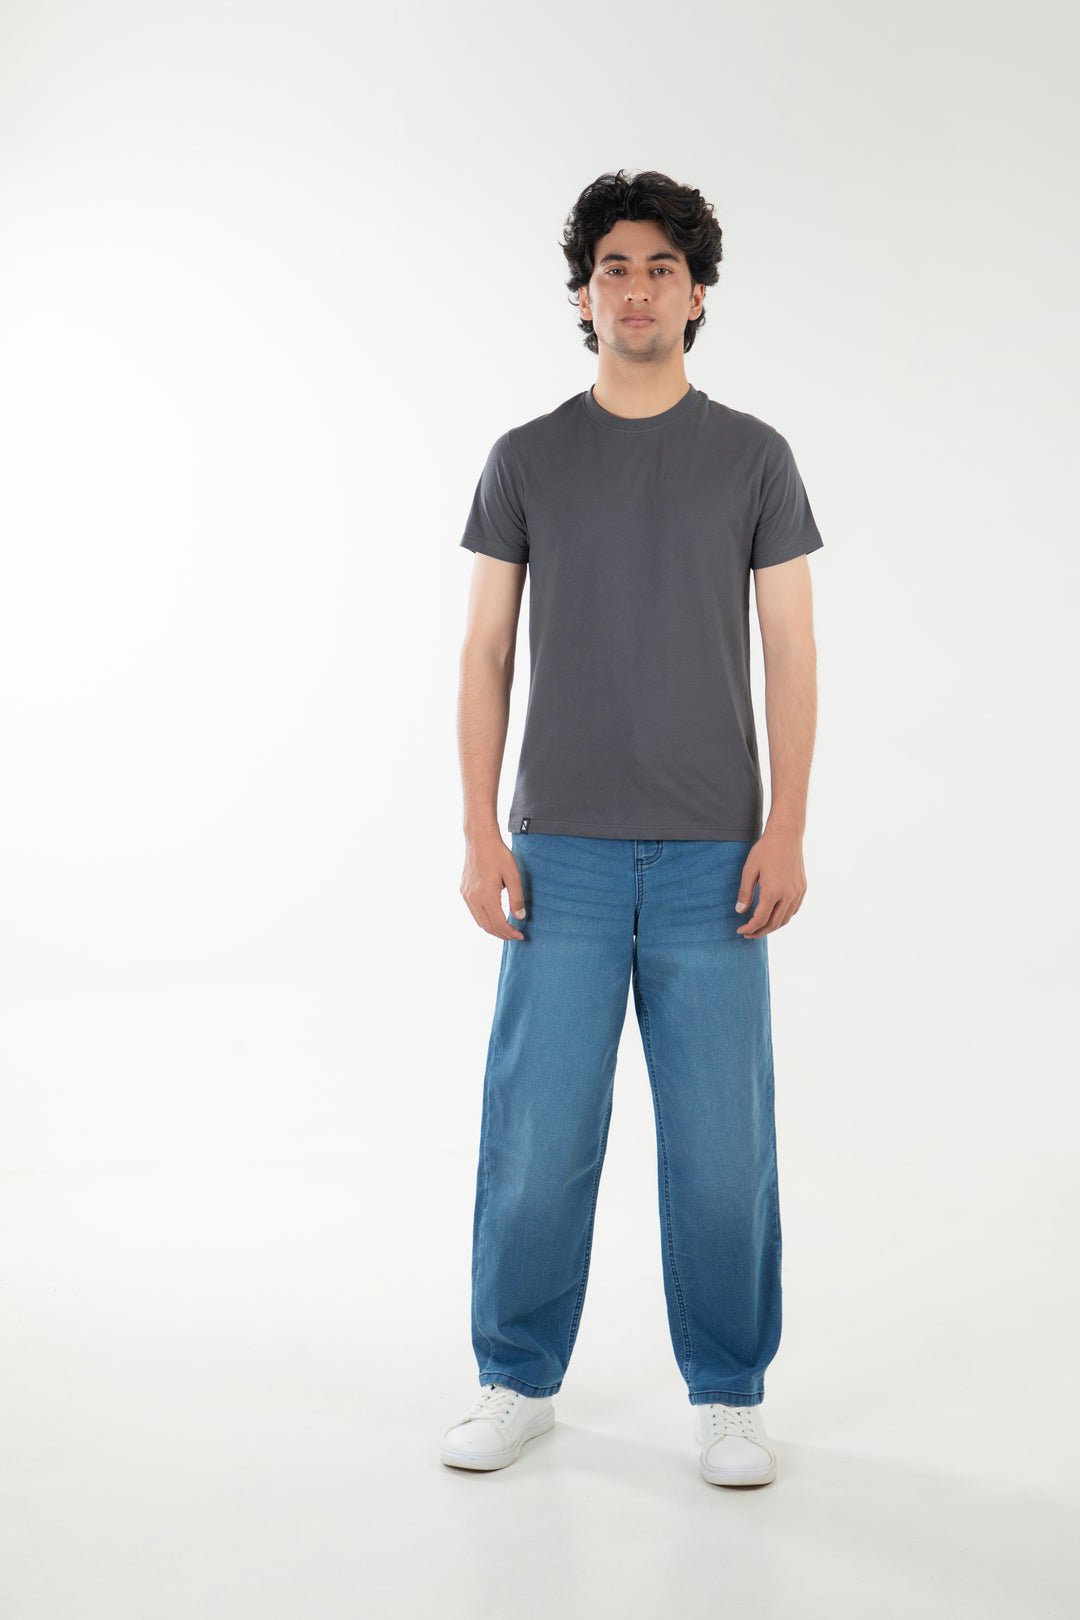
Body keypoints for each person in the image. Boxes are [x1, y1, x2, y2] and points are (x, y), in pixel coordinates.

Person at [442, 169, 824, 1489]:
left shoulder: (754, 457)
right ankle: (515, 1379)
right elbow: (485, 652)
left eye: (663, 266)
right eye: (615, 266)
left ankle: (730, 1394)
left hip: (719, 855)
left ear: (698, 294)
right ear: (584, 296)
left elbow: (792, 651)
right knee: (538, 1138)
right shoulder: (527, 459)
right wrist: (481, 830)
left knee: (723, 1146)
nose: (639, 287)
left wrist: (788, 825)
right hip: (560, 854)